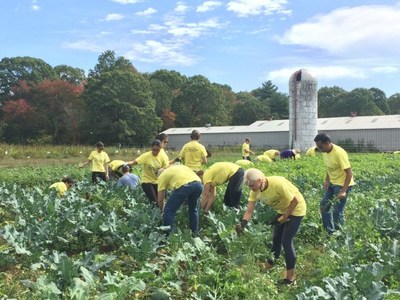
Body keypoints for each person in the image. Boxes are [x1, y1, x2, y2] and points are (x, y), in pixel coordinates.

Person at [236, 168, 306, 285]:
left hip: (296, 209)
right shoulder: (255, 190)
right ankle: (269, 265)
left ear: (260, 180)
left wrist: (285, 216)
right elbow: (249, 211)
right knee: (276, 240)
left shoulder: (277, 183)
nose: (250, 188)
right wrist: (242, 223)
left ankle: (290, 278)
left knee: (286, 241)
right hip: (283, 210)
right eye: (248, 186)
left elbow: (296, 200)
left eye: (252, 185)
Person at [314, 133, 354, 234]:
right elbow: (329, 168)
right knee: (324, 205)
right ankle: (329, 232)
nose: (319, 149)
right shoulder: (325, 151)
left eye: (321, 147)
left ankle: (340, 234)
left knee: (337, 211)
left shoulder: (339, 153)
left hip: (342, 184)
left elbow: (349, 173)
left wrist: (344, 191)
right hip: (332, 183)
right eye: (318, 147)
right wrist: (327, 180)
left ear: (327, 143)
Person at [157, 165, 203, 235]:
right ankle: (195, 232)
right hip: (198, 184)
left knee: (169, 210)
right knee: (193, 209)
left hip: (185, 186)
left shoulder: (162, 176)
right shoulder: (178, 167)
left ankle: (168, 236)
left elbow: (160, 199)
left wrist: (161, 210)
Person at [127, 140, 169, 204]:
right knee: (154, 202)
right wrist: (126, 164)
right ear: (151, 148)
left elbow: (167, 168)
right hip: (147, 181)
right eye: (153, 149)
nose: (155, 152)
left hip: (159, 181)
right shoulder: (146, 156)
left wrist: (162, 170)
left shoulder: (163, 157)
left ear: (160, 149)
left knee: (161, 201)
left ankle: (160, 213)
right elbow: (134, 162)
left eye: (157, 150)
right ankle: (155, 212)